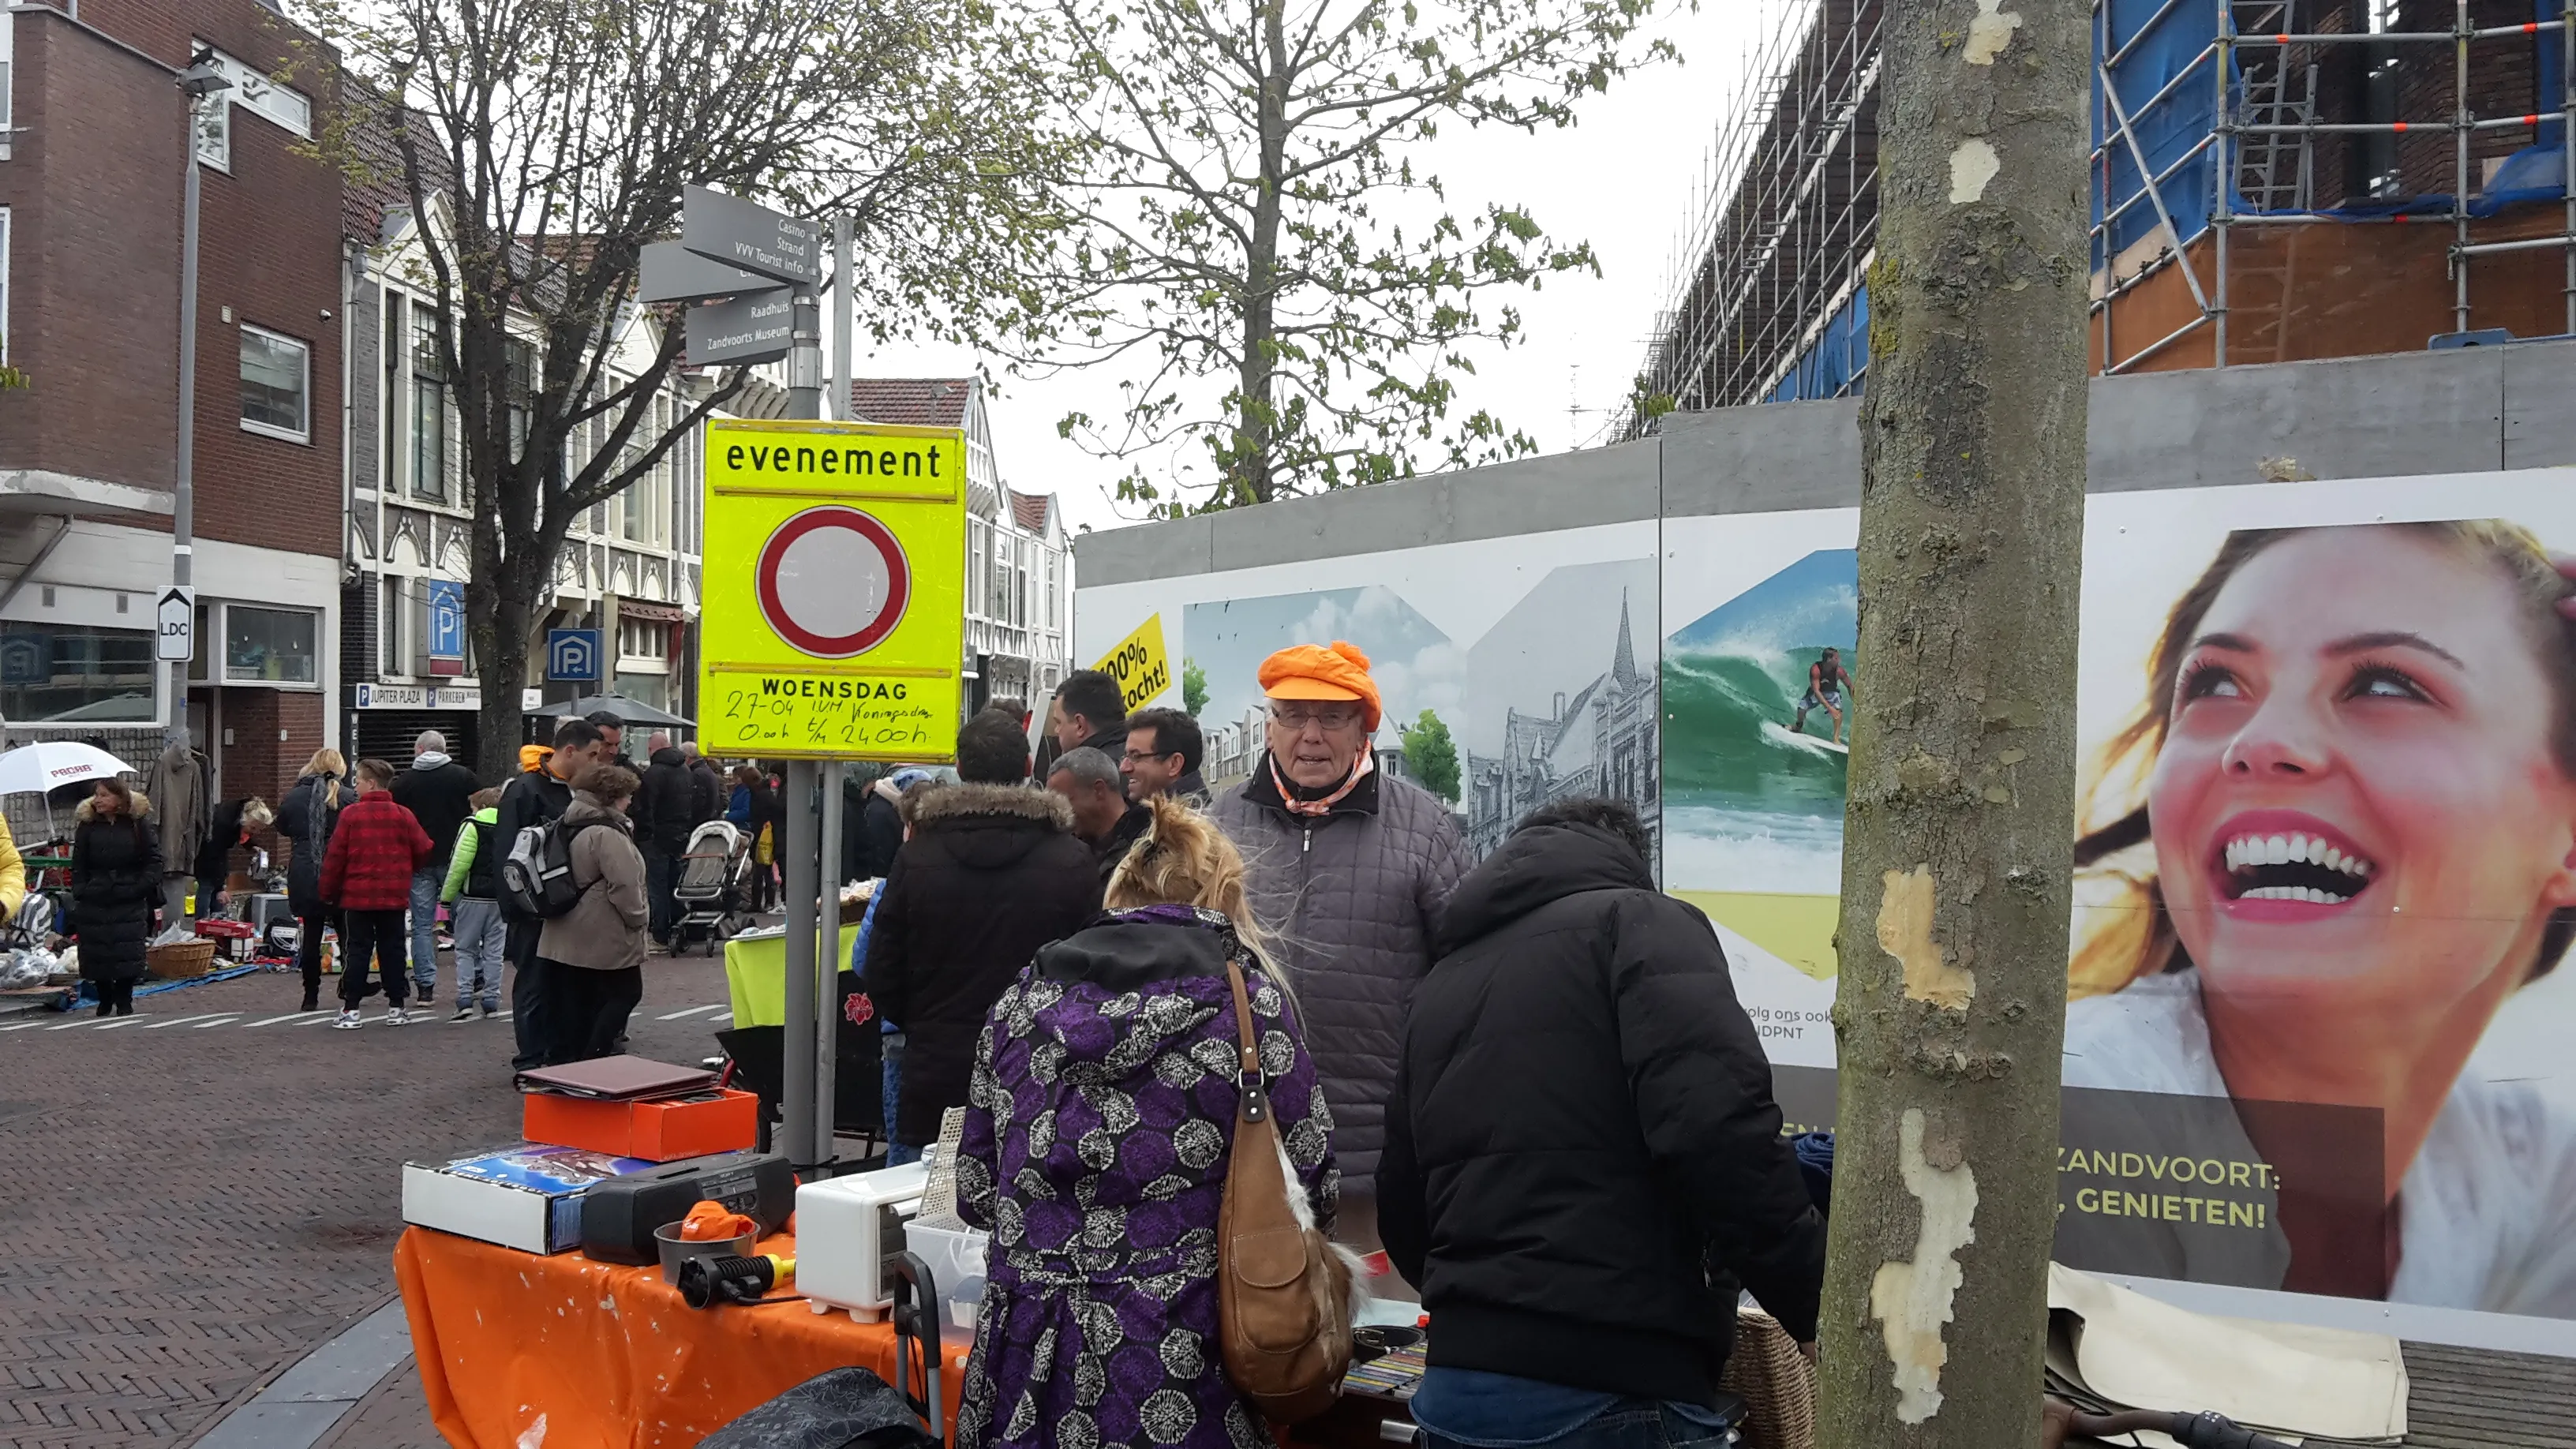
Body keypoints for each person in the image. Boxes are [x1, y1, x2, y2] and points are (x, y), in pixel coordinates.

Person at [2066, 521, 2576, 1314]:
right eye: (2218, 684)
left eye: (2384, 686)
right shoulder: (2073, 1106)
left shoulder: (2537, 1168)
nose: (2259, 741)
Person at [1379, 797, 1824, 1449]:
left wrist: (1483, 1310)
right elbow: (1720, 1133)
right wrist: (1814, 1307)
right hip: (1620, 1385)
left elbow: (1402, 1199)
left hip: (1455, 1394)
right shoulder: (1641, 921)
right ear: (1630, 859)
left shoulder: (1442, 983)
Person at [953, 796, 1339, 1449]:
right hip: (1184, 1359)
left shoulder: (1019, 1001)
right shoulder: (1245, 1006)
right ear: (1224, 897)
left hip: (1027, 1361)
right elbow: (1313, 1187)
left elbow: (975, 1190)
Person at [1211, 640, 1471, 1192]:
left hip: (1381, 1153)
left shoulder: (1424, 829)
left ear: (1362, 731)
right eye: (1293, 716)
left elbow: (1471, 978)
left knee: (1374, 1281)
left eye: (1332, 717)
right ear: (1268, 729)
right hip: (1240, 1144)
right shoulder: (1217, 826)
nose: (1311, 735)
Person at [861, 710, 1097, 1161]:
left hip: (939, 1063)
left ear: (961, 770)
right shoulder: (1073, 859)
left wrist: (923, 1024)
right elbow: (1089, 968)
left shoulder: (917, 856)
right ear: (1029, 769)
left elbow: (882, 966)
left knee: (926, 1205)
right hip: (1041, 1062)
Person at [499, 717, 609, 1070]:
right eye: (592, 755)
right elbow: (506, 853)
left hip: (568, 907)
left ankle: (560, 1051)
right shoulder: (526, 790)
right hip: (534, 908)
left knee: (564, 983)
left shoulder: (578, 791)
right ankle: (530, 1058)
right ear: (570, 751)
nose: (597, 762)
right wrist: (517, 907)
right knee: (533, 983)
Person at [539, 763, 650, 1064]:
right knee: (627, 992)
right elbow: (625, 884)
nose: (630, 802)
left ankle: (574, 1059)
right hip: (604, 931)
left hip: (565, 928)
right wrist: (638, 919)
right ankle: (596, 1054)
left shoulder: (568, 822)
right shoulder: (607, 834)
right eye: (627, 796)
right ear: (612, 797)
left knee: (579, 1000)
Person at [320, 758, 435, 1029]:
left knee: (357, 950)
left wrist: (327, 892)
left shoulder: (350, 816)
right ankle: (397, 1007)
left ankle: (351, 1009)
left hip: (357, 897)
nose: (355, 786)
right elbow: (424, 847)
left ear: (371, 783)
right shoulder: (403, 815)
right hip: (393, 896)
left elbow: (335, 857)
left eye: (358, 781)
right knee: (393, 949)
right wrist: (405, 869)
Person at [391, 729, 480, 1007]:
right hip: (458, 858)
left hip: (419, 861)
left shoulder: (403, 783)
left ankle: (426, 987)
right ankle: (475, 977)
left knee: (421, 925)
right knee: (465, 920)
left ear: (418, 750)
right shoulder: (464, 777)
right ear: (444, 750)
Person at [70, 778, 160, 1018]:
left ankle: (124, 998)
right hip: (95, 897)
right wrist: (82, 889)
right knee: (97, 951)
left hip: (128, 896)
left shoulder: (137, 825)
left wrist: (138, 887)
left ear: (119, 799)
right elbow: (78, 863)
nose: (98, 800)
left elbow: (153, 860)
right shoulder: (87, 826)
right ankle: (104, 997)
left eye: (104, 795)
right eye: (96, 795)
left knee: (127, 949)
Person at [276, 749, 349, 1013]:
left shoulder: (294, 797)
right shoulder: (347, 797)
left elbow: (282, 826)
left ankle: (310, 995)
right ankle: (349, 987)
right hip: (338, 871)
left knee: (311, 936)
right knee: (346, 933)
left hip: (305, 871)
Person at [439, 786, 508, 1020]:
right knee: (495, 952)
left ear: (481, 806)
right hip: (500, 898)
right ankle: (491, 1000)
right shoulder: (510, 826)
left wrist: (447, 898)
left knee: (466, 949)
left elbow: (459, 864)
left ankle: (465, 998)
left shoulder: (473, 824)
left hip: (472, 896)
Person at [1045, 745, 1149, 889]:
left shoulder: (1147, 850)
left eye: (1063, 802)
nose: (1059, 814)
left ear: (1098, 790)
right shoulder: (1068, 849)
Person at [633, 732, 693, 948]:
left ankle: (660, 933)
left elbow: (646, 807)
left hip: (657, 837)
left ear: (652, 749)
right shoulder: (685, 770)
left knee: (657, 886)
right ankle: (680, 927)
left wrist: (644, 833)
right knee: (675, 884)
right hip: (680, 835)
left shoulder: (655, 773)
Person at [142, 732, 208, 927]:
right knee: (177, 891)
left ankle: (160, 932)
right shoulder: (194, 767)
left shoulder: (161, 764)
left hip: (163, 839)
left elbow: (153, 803)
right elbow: (199, 807)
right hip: (183, 841)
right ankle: (174, 933)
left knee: (159, 890)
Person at [192, 796, 275, 918]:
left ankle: (214, 921)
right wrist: (221, 887)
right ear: (246, 819)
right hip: (205, 853)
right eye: (253, 828)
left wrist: (252, 845)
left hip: (211, 851)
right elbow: (216, 855)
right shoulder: (223, 824)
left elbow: (241, 833)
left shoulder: (238, 814)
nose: (256, 833)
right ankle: (204, 923)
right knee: (208, 886)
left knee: (213, 887)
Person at [1121, 706, 1211, 807]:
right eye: (1126, 756)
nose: (1123, 768)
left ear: (1174, 764)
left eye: (1135, 756)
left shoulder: (1185, 822)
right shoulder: (1154, 817)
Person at [733, 764, 783, 912]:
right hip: (764, 833)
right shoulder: (764, 793)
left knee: (762, 869)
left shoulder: (760, 795)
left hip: (763, 834)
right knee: (763, 869)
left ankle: (762, 902)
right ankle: (766, 902)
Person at [1050, 669, 1129, 758]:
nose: (1056, 731)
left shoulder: (1083, 770)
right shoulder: (1141, 757)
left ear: (1080, 725)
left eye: (1058, 722)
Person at [1788, 646, 1853, 745]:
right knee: (1801, 709)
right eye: (1836, 658)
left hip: (1831, 693)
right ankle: (1798, 727)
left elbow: (1849, 686)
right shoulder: (1816, 669)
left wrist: (1855, 701)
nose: (1839, 660)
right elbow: (1816, 691)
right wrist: (1829, 708)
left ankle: (1836, 738)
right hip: (1816, 692)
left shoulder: (1839, 671)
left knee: (1838, 709)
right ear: (1829, 659)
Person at [682, 741, 724, 825]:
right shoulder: (707, 770)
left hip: (701, 823)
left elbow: (697, 801)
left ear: (687, 758)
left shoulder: (697, 774)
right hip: (710, 820)